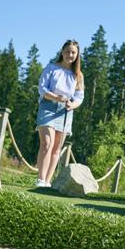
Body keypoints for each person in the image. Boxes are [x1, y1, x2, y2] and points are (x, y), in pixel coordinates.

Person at [35, 40, 84, 187]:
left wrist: (72, 104)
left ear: (77, 55)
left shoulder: (78, 75)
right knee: (46, 143)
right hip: (48, 106)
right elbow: (42, 89)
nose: (70, 54)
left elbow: (79, 97)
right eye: (68, 51)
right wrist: (56, 97)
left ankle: (48, 182)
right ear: (62, 52)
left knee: (56, 148)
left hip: (65, 111)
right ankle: (40, 179)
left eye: (73, 52)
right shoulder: (51, 68)